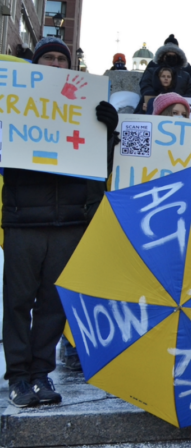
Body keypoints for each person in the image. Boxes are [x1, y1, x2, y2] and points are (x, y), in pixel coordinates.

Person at [4, 39, 119, 406]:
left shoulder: (86, 106)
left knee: (54, 304)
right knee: (19, 301)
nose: (54, 63)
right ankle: (18, 377)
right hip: (24, 221)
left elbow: (99, 170)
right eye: (48, 57)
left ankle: (41, 374)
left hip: (69, 222)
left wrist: (107, 133)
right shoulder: (15, 105)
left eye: (61, 58)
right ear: (36, 63)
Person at [139, 34, 191, 103]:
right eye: (168, 56)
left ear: (178, 57)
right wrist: (154, 98)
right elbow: (145, 85)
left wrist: (182, 99)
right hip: (155, 104)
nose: (171, 58)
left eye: (174, 56)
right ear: (163, 56)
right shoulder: (151, 70)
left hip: (179, 106)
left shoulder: (185, 74)